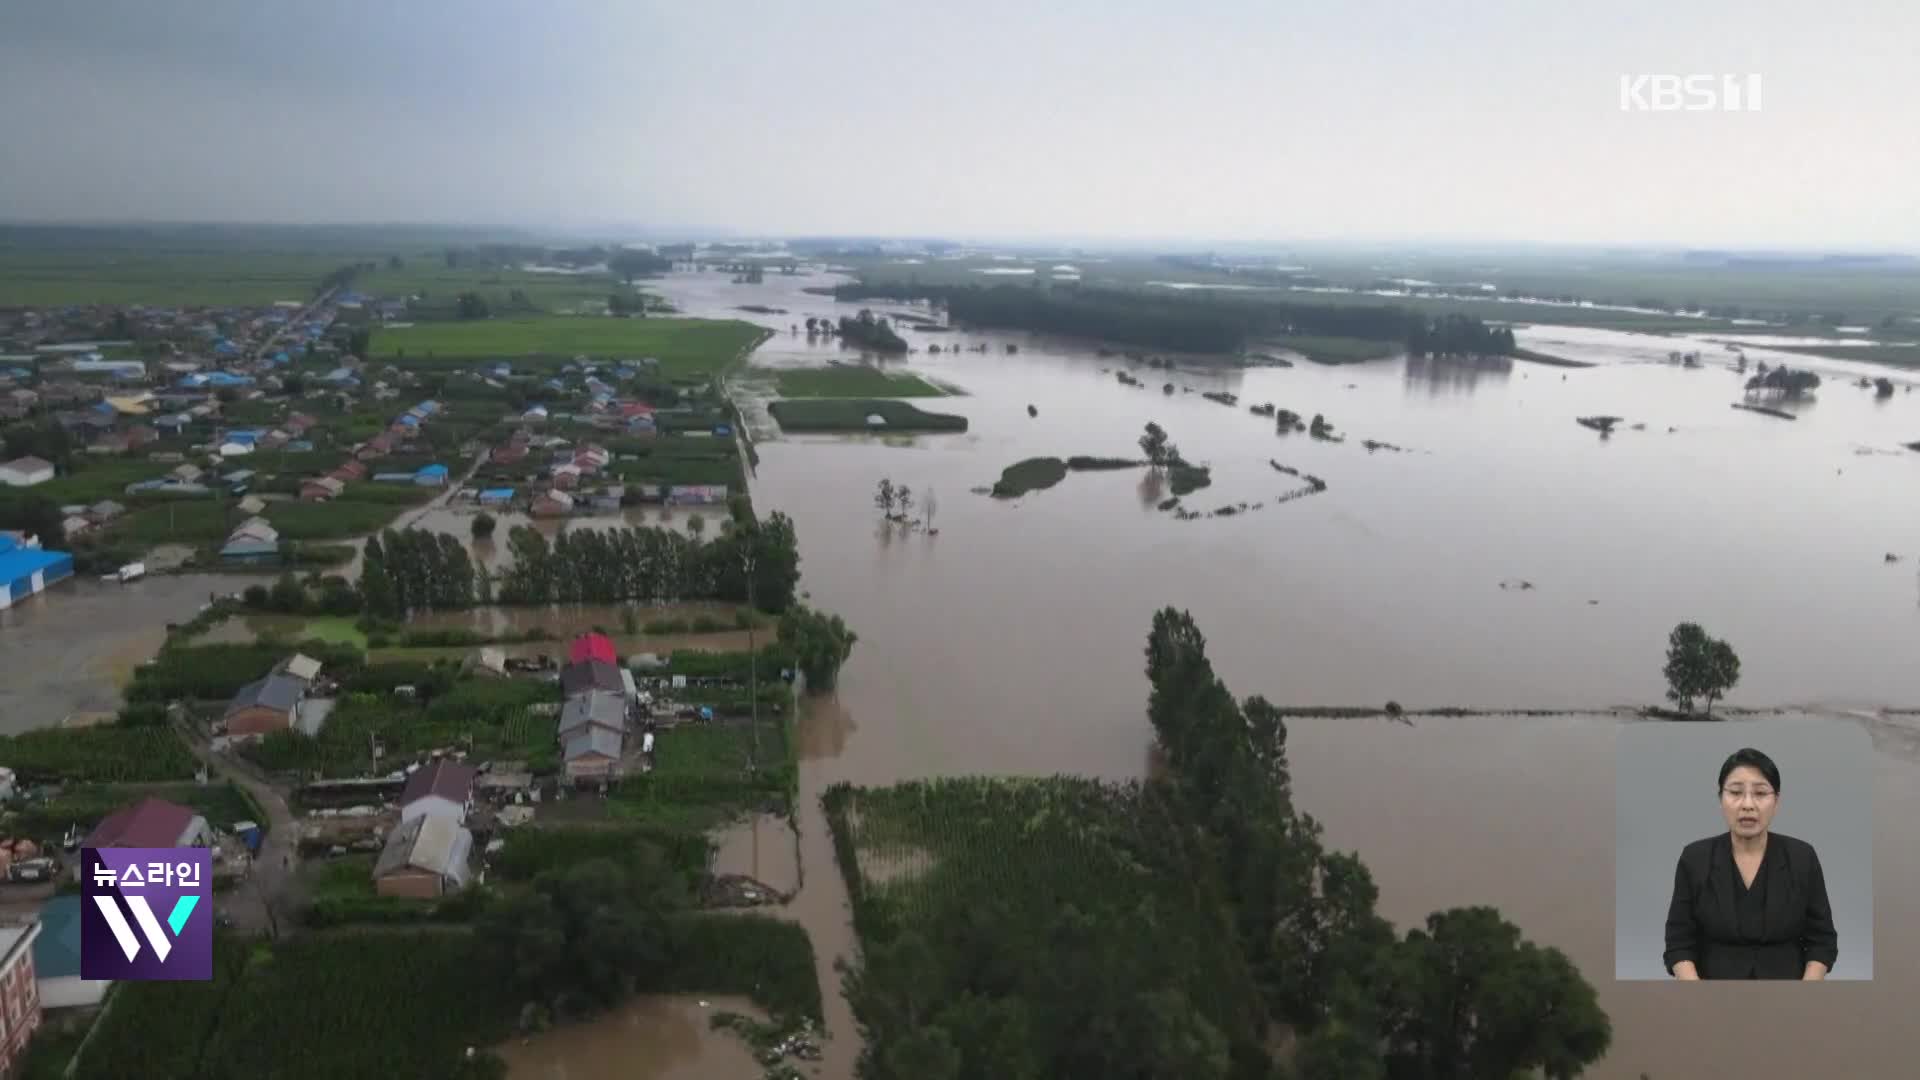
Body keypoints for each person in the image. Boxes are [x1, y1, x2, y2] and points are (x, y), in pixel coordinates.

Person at [1664, 747, 1837, 980]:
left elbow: (1822, 940)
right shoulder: (1695, 859)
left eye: (1760, 793)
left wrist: (1803, 997)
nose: (1747, 804)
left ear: (1776, 801)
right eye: (1735, 792)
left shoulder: (1802, 858)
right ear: (1720, 799)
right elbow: (1678, 942)